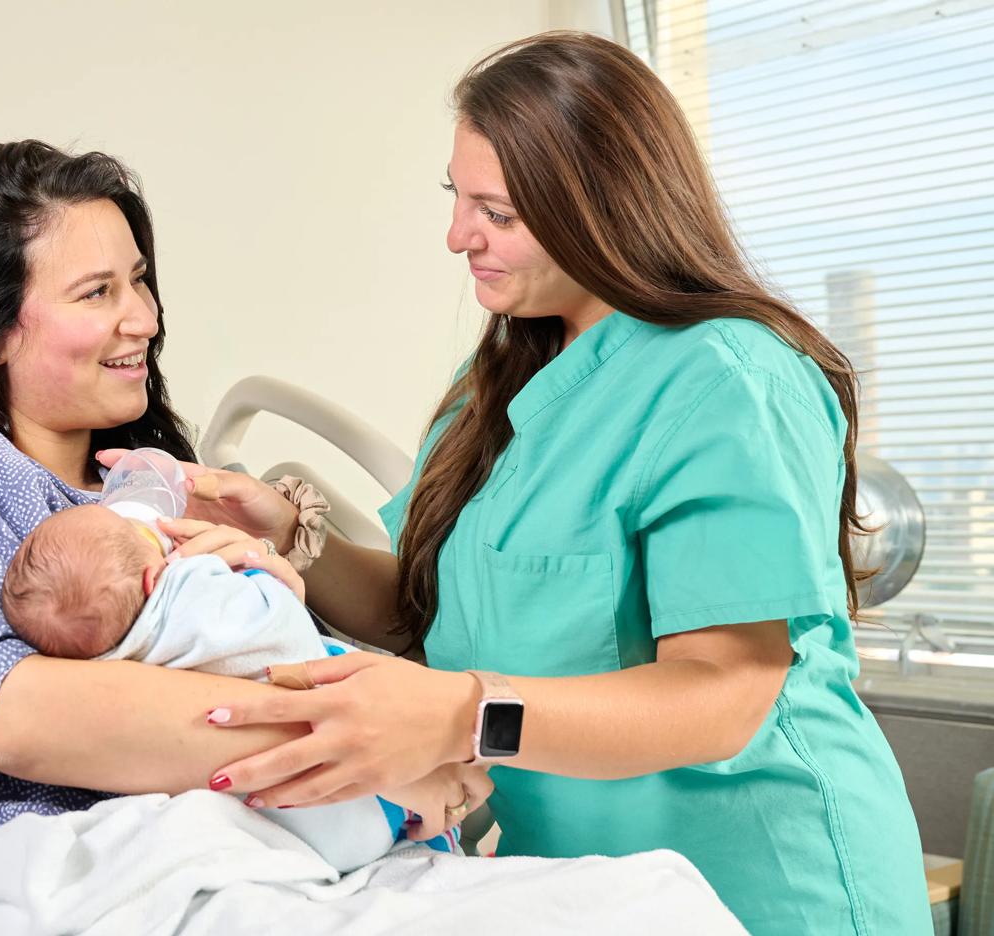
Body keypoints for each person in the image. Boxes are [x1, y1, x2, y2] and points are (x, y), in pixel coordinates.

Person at [138, 32, 932, 936]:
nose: (455, 237)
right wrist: (288, 538)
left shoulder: (726, 379)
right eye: (456, 198)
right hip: (579, 895)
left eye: (496, 212)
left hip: (761, 885)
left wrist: (459, 716)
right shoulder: (498, 390)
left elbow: (721, 694)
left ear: (601, 206)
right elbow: (427, 608)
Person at [0, 140, 486, 934]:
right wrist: (369, 757)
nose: (143, 317)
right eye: (97, 291)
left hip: (271, 840)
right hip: (26, 865)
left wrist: (281, 569)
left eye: (139, 279)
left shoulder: (169, 494)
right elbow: (13, 713)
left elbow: (322, 644)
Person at [1, 502, 462, 870]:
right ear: (153, 575)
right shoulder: (191, 582)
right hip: (360, 781)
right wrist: (261, 573)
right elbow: (272, 614)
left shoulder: (101, 659)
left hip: (288, 829)